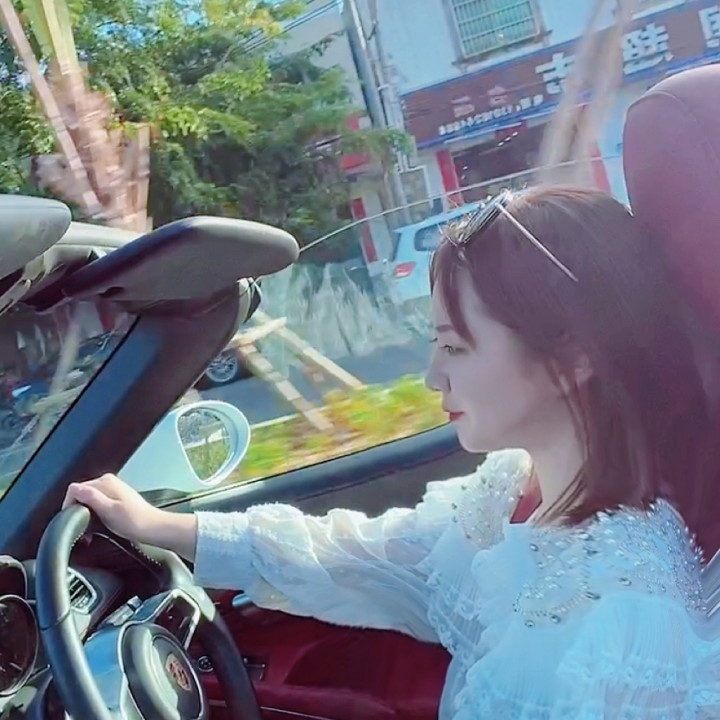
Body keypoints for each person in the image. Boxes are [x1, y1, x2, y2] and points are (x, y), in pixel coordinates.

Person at [64, 186, 720, 718]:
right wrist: (163, 527)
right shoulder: (511, 489)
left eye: (455, 346)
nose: (433, 377)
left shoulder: (618, 625)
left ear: (573, 356)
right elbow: (367, 553)